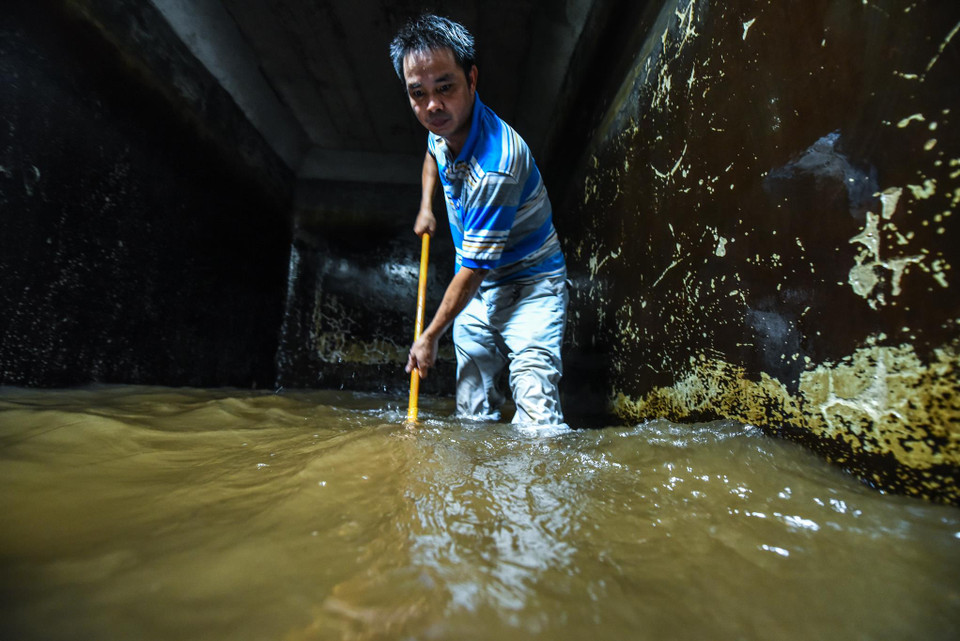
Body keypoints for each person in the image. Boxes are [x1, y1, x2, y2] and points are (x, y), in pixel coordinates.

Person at [389, 14, 569, 426]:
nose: (432, 105)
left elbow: (472, 269)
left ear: (471, 79)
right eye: (418, 93)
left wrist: (429, 338)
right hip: (479, 288)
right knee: (472, 417)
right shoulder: (441, 126)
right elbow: (432, 152)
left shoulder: (498, 164)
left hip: (531, 286)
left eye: (445, 88)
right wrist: (426, 206)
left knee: (538, 417)